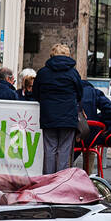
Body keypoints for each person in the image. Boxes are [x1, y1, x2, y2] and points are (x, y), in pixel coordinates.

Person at [33, 42, 84, 174]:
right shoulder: (73, 73)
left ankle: (48, 179)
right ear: (67, 55)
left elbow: (35, 93)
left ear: (52, 55)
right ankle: (60, 181)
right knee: (65, 150)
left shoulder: (43, 72)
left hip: (48, 115)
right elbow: (80, 94)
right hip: (68, 116)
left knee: (49, 149)